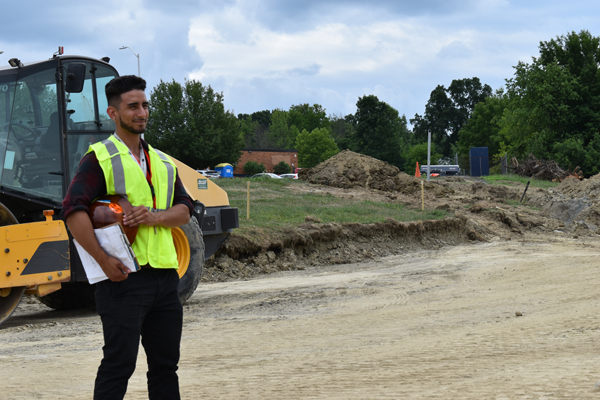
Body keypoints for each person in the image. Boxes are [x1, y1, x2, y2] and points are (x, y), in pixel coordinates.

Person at [62, 75, 193, 400]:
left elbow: (186, 210)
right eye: (132, 106)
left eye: (145, 105)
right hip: (122, 281)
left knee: (166, 367)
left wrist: (154, 217)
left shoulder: (163, 162)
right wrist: (103, 260)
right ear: (113, 113)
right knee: (118, 365)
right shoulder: (99, 158)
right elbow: (73, 211)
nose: (141, 112)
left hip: (165, 277)